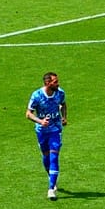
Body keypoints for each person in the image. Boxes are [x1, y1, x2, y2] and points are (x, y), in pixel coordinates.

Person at [27, 72, 67, 200]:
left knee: (54, 156)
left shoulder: (60, 93)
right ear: (47, 83)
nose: (58, 83)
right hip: (42, 131)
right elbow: (28, 114)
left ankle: (51, 188)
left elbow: (63, 104)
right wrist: (40, 121)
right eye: (55, 82)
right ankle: (51, 176)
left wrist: (64, 117)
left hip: (55, 129)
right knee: (46, 156)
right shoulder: (37, 95)